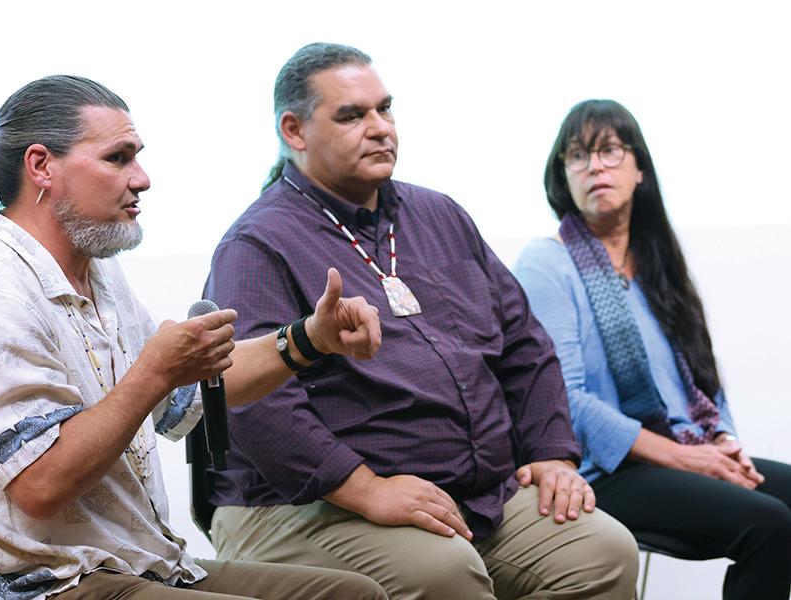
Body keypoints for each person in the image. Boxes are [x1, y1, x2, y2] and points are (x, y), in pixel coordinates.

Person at [0, 75, 389, 600]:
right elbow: (41, 486)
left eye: (136, 157)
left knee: (354, 594)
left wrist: (310, 339)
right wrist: (155, 370)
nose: (142, 179)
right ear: (42, 167)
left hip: (140, 562)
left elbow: (187, 396)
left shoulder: (95, 271)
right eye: (118, 158)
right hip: (51, 586)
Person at [202, 44, 638, 600]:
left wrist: (551, 451)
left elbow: (525, 346)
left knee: (602, 553)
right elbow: (251, 401)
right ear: (294, 130)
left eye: (385, 109)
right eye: (353, 115)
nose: (380, 128)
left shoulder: (439, 215)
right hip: (312, 503)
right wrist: (364, 488)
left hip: (477, 493)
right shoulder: (258, 244)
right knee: (443, 575)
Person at [513, 98, 791, 599]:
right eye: (578, 155)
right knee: (769, 524)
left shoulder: (657, 263)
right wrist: (687, 459)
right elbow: (564, 401)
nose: (595, 165)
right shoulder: (546, 263)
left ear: (639, 167)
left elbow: (703, 378)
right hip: (607, 473)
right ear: (563, 176)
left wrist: (722, 441)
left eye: (610, 150)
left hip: (684, 450)